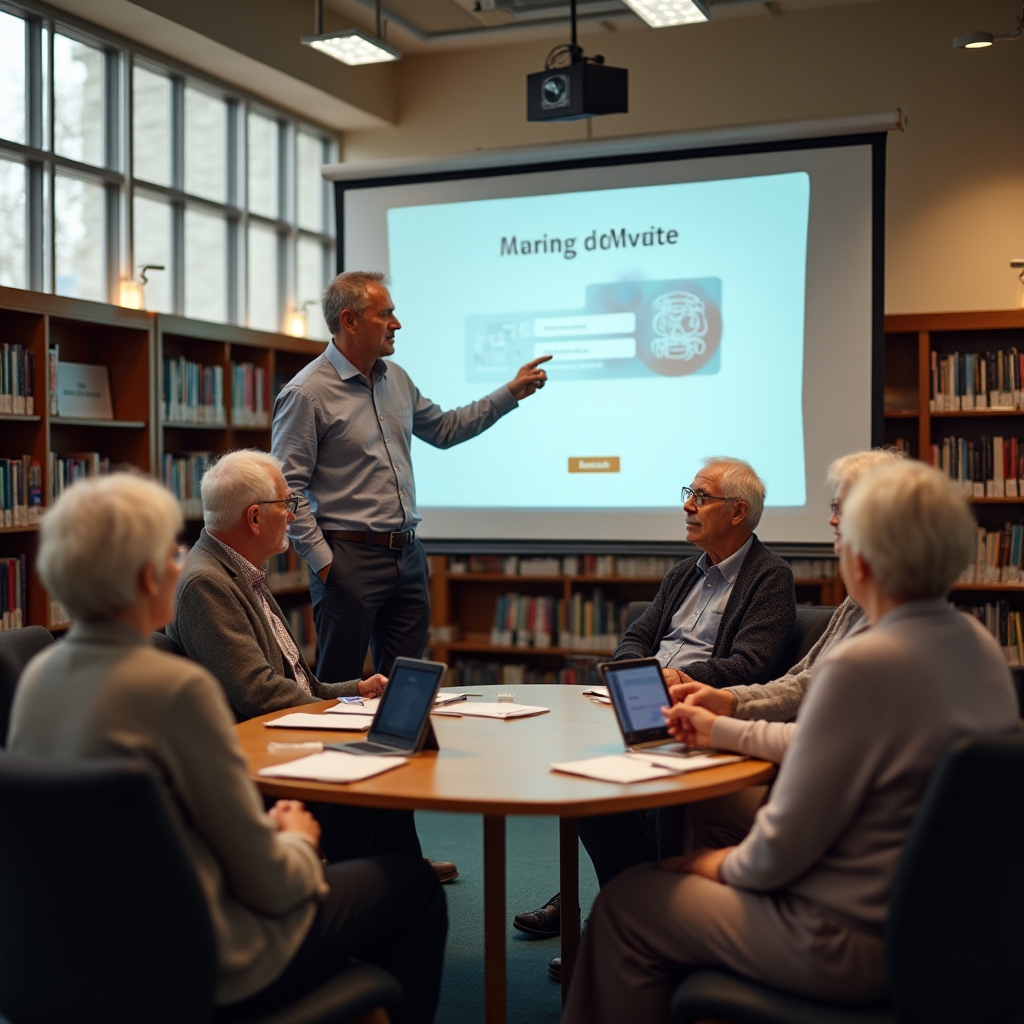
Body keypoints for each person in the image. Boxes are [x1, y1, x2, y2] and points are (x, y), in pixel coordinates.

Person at [562, 460, 1019, 1024]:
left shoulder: (863, 664)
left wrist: (706, 867)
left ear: (861, 550)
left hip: (845, 935)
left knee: (626, 905)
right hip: (950, 926)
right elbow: (840, 746)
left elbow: (776, 854)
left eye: (838, 526)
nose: (833, 537)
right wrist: (721, 725)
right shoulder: (978, 647)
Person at [7, 474, 447, 1022]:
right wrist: (299, 844)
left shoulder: (36, 680)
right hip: (205, 959)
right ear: (147, 577)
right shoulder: (173, 689)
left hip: (66, 959)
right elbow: (269, 881)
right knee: (415, 888)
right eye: (170, 552)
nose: (179, 563)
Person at [518, 456, 796, 959]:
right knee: (585, 782)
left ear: (737, 513)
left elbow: (752, 665)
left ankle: (613, 913)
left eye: (701, 497)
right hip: (645, 701)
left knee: (622, 794)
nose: (687, 506)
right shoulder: (680, 574)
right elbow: (636, 637)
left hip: (695, 712)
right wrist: (636, 677)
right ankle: (618, 907)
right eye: (688, 492)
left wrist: (681, 680)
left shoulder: (770, 578)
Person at [168, 449, 455, 880]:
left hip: (282, 736)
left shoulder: (241, 572)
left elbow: (300, 682)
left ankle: (390, 879)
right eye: (288, 504)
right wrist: (341, 716)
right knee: (380, 778)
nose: (293, 515)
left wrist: (356, 692)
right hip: (262, 756)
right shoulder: (206, 583)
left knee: (389, 762)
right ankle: (375, 884)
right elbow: (259, 693)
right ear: (254, 518)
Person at [272, 270, 550, 687]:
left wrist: (509, 392)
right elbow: (285, 488)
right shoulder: (306, 393)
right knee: (341, 687)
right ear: (349, 321)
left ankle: (400, 753)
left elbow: (446, 429)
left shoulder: (396, 379)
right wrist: (326, 565)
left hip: (407, 556)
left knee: (408, 685)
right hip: (348, 558)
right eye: (385, 315)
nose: (396, 324)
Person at [668, 447, 906, 854]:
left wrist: (723, 716)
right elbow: (801, 680)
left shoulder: (889, 635)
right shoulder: (860, 603)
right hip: (815, 774)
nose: (831, 519)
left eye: (841, 509)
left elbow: (821, 728)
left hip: (838, 812)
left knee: (626, 904)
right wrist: (726, 702)